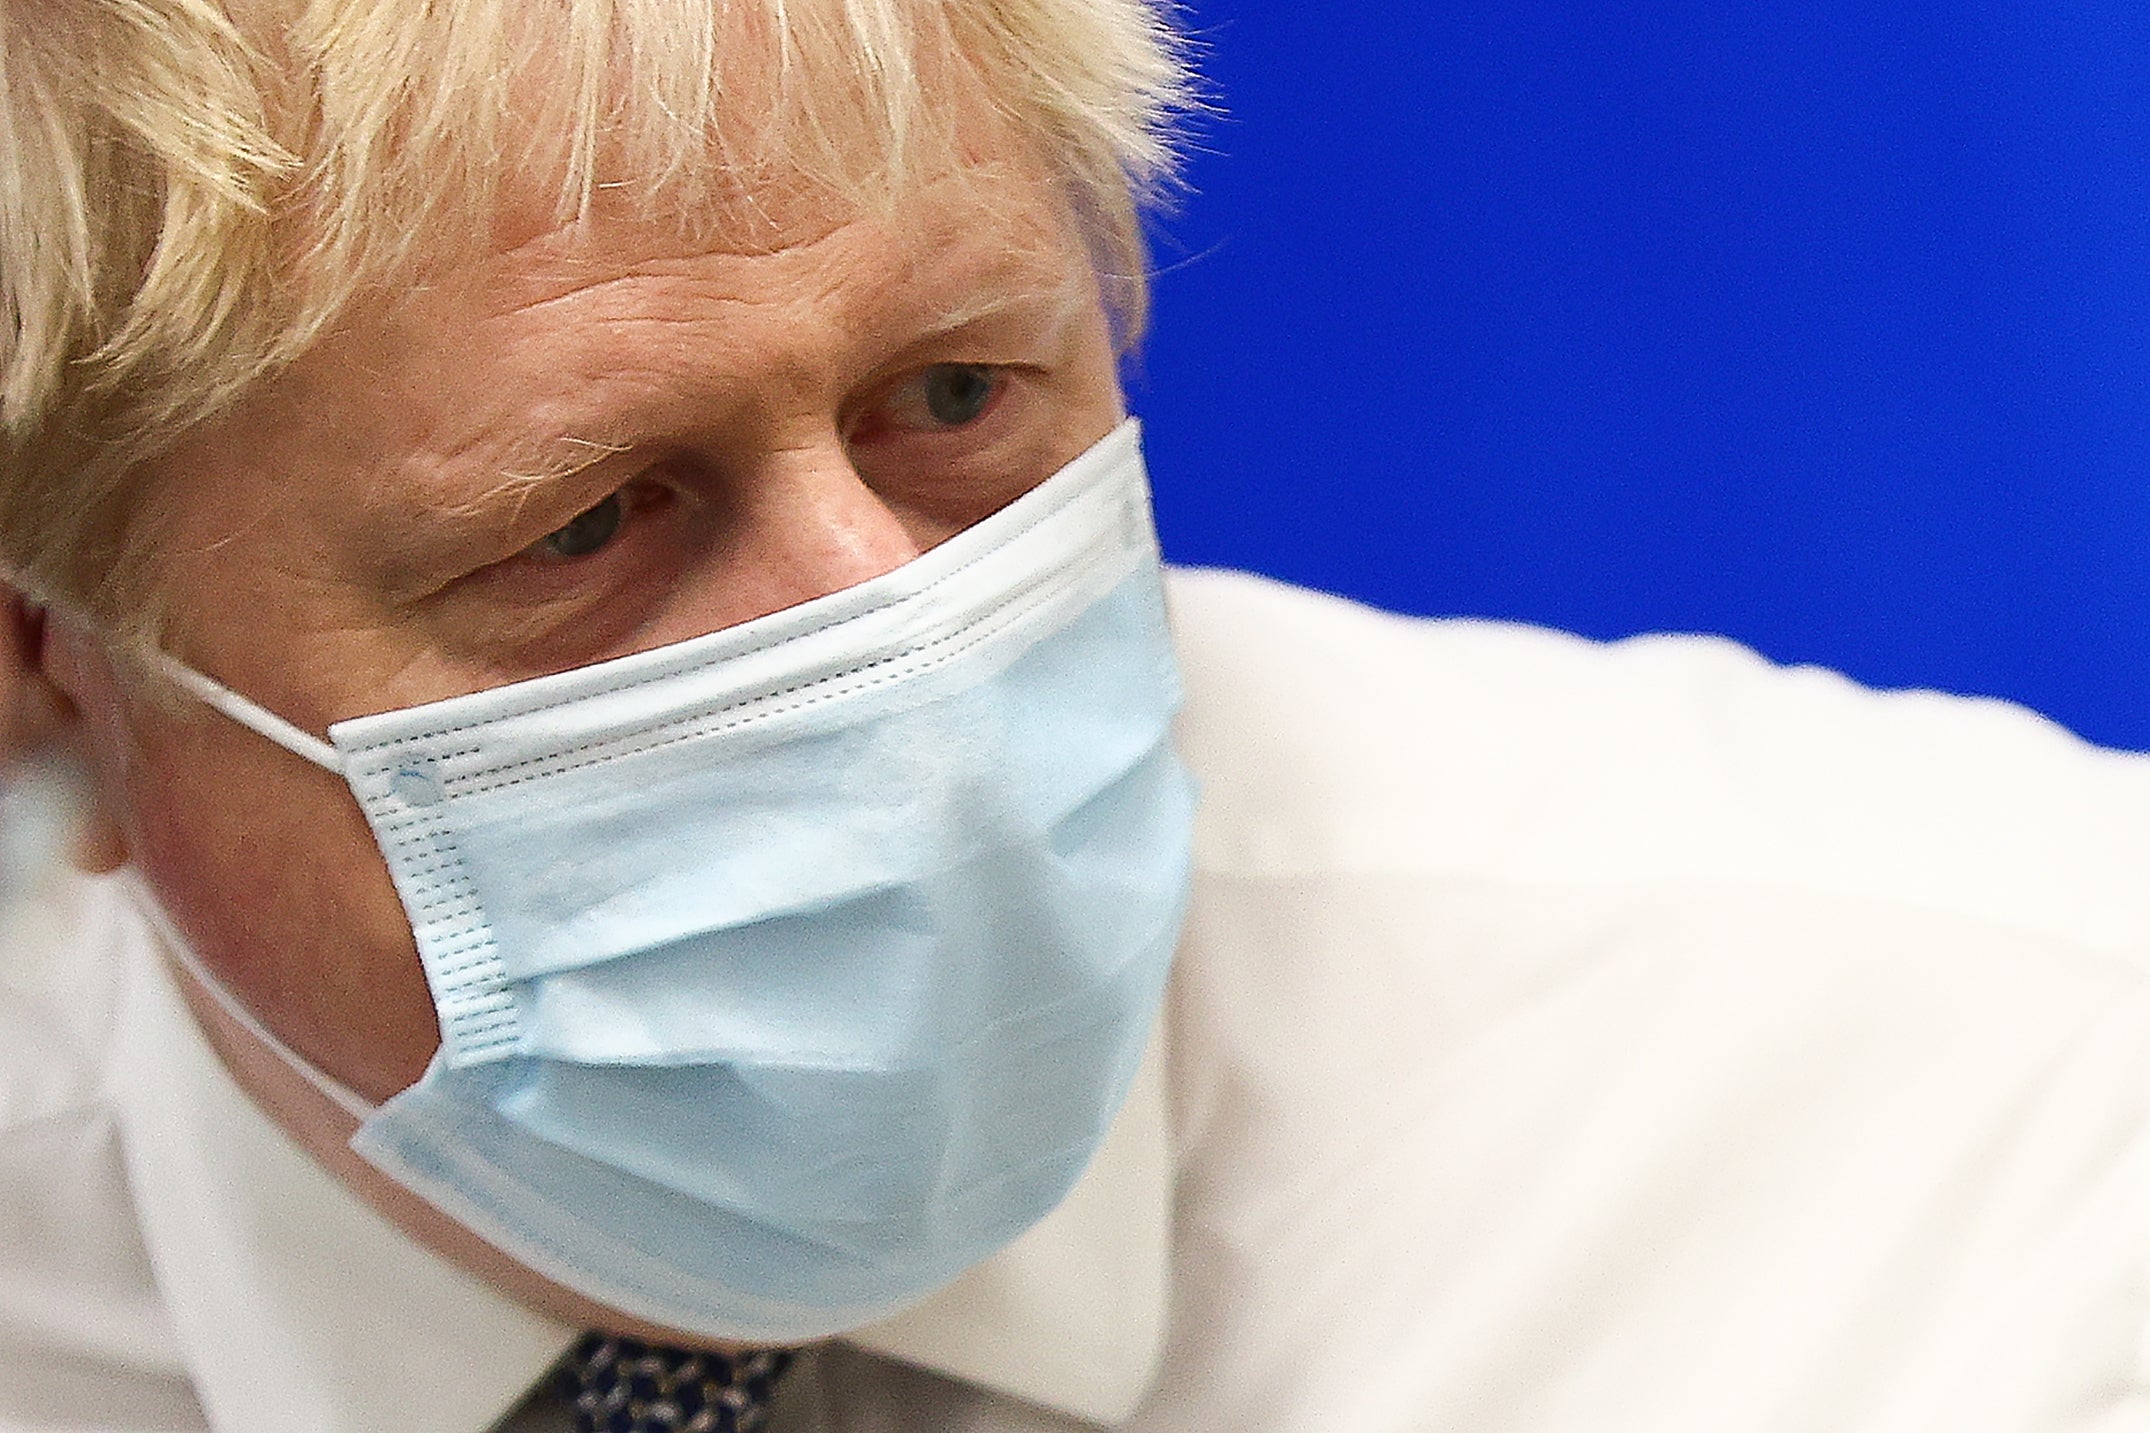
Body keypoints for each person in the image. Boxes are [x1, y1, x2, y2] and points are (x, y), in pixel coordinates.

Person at [9, 3, 2150, 1431]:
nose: (905, 639)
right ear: (48, 664)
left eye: (955, 398)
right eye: (587, 523)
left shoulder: (2014, 1098)